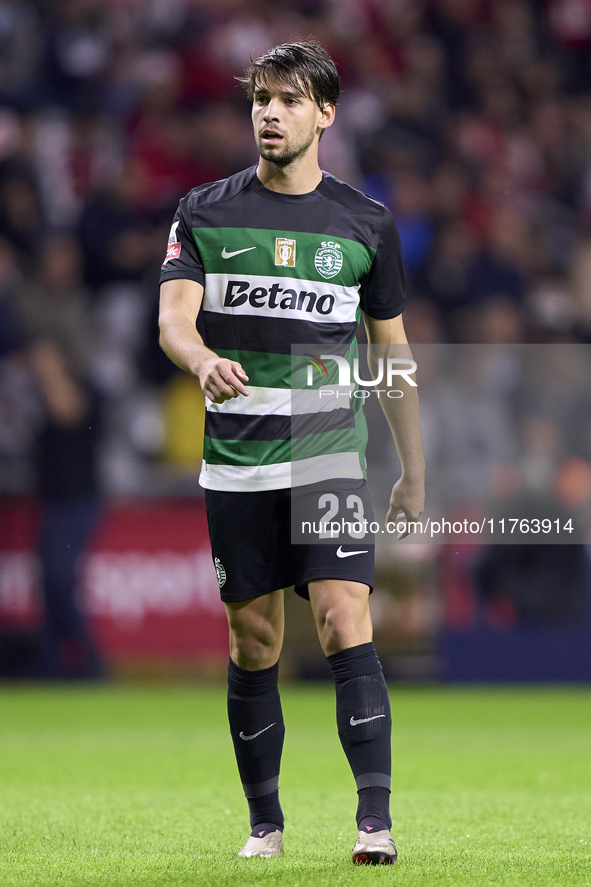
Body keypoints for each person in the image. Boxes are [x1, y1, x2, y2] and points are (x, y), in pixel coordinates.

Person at [158, 41, 425, 865]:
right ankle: (265, 825)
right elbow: (172, 319)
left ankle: (373, 821)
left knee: (348, 617)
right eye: (260, 99)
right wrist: (200, 357)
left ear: (324, 113)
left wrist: (413, 468)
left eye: (288, 100)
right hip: (236, 458)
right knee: (254, 642)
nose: (269, 113)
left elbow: (391, 355)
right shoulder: (203, 210)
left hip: (325, 448)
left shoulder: (365, 222)